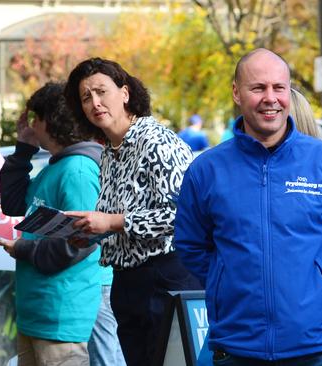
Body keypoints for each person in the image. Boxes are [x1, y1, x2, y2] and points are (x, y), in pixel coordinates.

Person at [174, 48, 322, 365]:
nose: (271, 98)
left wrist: (317, 285)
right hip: (237, 346)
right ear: (237, 93)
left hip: (317, 347)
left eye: (278, 88)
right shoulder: (207, 170)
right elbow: (191, 245)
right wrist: (226, 282)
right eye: (258, 88)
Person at [62, 57, 201, 366]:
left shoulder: (156, 141)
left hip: (168, 277)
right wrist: (92, 234)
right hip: (127, 283)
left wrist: (111, 222)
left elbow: (186, 215)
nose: (95, 102)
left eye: (101, 91)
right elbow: (120, 224)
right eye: (86, 97)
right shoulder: (110, 152)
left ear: (124, 93)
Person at [0, 82, 103, 366]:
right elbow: (14, 203)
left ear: (49, 120)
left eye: (35, 118)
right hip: (38, 315)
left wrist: (24, 249)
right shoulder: (58, 166)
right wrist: (23, 150)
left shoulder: (78, 170)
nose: (31, 126)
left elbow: (81, 244)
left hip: (61, 316)